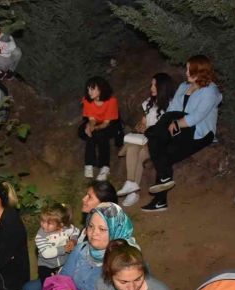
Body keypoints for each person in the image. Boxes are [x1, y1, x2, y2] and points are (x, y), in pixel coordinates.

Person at [21, 181, 117, 290]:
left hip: (80, 287)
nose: (83, 199)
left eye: (89, 197)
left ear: (103, 204)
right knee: (31, 289)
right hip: (63, 276)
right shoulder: (85, 229)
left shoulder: (111, 242)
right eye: (92, 228)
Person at [142, 55, 222, 212]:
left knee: (158, 143)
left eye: (189, 69)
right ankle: (161, 196)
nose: (186, 72)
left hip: (199, 132)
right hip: (179, 128)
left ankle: (160, 199)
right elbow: (172, 109)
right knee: (161, 145)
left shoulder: (210, 92)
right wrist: (169, 123)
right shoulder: (184, 87)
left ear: (200, 72)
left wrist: (176, 123)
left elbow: (197, 117)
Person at [117, 73, 175, 207]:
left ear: (163, 87)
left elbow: (167, 130)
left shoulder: (172, 105)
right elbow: (142, 123)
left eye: (155, 85)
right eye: (151, 84)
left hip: (158, 143)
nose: (152, 87)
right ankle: (131, 187)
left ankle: (132, 190)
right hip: (145, 139)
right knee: (133, 147)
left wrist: (149, 131)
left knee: (139, 153)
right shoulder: (149, 103)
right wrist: (140, 126)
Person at [80, 76, 120, 181]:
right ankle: (89, 164)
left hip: (110, 124)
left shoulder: (111, 101)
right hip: (96, 122)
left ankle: (105, 167)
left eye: (92, 89)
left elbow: (106, 123)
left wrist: (95, 128)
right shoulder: (87, 100)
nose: (89, 92)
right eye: (88, 89)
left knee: (102, 134)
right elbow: (92, 119)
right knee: (89, 132)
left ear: (101, 89)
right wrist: (90, 126)